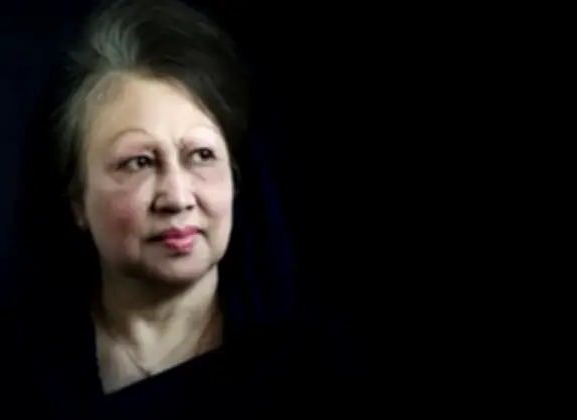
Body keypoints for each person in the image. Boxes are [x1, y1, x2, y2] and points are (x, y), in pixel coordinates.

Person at [26, 0, 364, 417]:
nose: (177, 198)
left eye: (201, 155)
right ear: (77, 200)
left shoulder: (320, 373)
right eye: (139, 162)